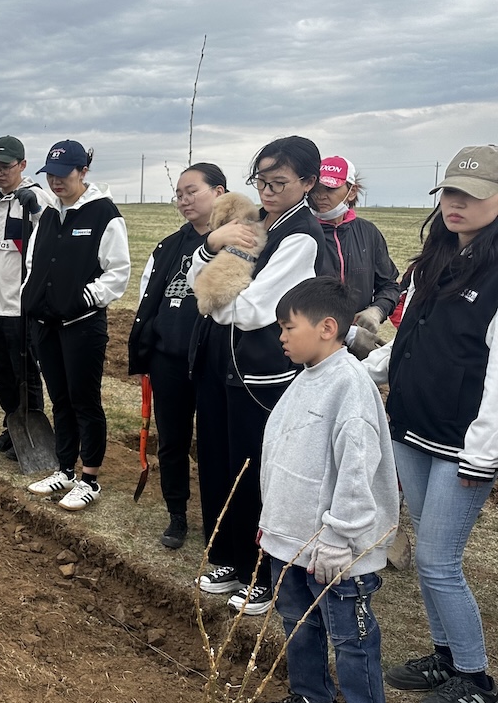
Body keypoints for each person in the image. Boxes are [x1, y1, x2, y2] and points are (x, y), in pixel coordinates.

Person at [366, 145, 498, 703]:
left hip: (461, 443)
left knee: (440, 560)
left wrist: (483, 453)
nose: (456, 204)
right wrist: (361, 370)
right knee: (426, 555)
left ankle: (476, 677)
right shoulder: (434, 261)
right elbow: (410, 340)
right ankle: (445, 658)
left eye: (472, 194)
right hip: (412, 428)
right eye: (450, 192)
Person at [255, 277, 399, 703]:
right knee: (297, 622)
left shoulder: (349, 388)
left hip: (335, 550)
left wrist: (340, 539)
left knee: (353, 641)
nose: (281, 337)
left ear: (327, 327)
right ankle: (313, 702)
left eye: (288, 327)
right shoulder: (308, 376)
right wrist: (272, 522)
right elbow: (285, 453)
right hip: (291, 540)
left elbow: (358, 471)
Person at [188, 136, 330, 615]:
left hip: (261, 372)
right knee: (219, 463)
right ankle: (228, 556)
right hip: (221, 364)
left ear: (307, 182)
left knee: (256, 473)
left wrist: (211, 296)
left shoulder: (300, 237)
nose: (267, 192)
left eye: (279, 183)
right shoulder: (254, 223)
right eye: (261, 182)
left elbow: (251, 311)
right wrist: (210, 247)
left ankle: (262, 573)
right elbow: (197, 278)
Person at [23, 141, 130, 510]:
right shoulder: (49, 214)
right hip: (45, 322)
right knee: (60, 399)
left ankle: (90, 479)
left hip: (82, 325)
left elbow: (117, 273)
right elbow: (34, 263)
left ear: (83, 172)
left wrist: (84, 298)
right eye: (50, 175)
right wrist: (31, 294)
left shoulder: (104, 214)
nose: (55, 181)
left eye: (63, 174)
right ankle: (65, 469)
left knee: (85, 401)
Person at [128, 164, 228, 549]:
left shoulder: (239, 242)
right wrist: (146, 352)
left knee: (215, 443)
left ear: (219, 192)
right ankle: (177, 514)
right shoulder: (169, 246)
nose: (184, 200)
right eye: (179, 194)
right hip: (168, 360)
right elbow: (148, 300)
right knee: (172, 440)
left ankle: (219, 519)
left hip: (213, 362)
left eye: (192, 191)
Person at [0, 135, 55, 459]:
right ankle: (11, 426)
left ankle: (31, 426)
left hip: (19, 302)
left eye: (5, 167)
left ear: (22, 165)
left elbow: (52, 234)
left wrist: (35, 211)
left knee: (25, 371)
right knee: (1, 371)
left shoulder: (38, 197)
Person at [308, 155, 400, 359]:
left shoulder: (369, 233)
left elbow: (390, 285)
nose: (320, 196)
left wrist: (377, 311)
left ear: (352, 192)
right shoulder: (302, 233)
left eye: (330, 189)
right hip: (309, 347)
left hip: (358, 350)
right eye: (316, 189)